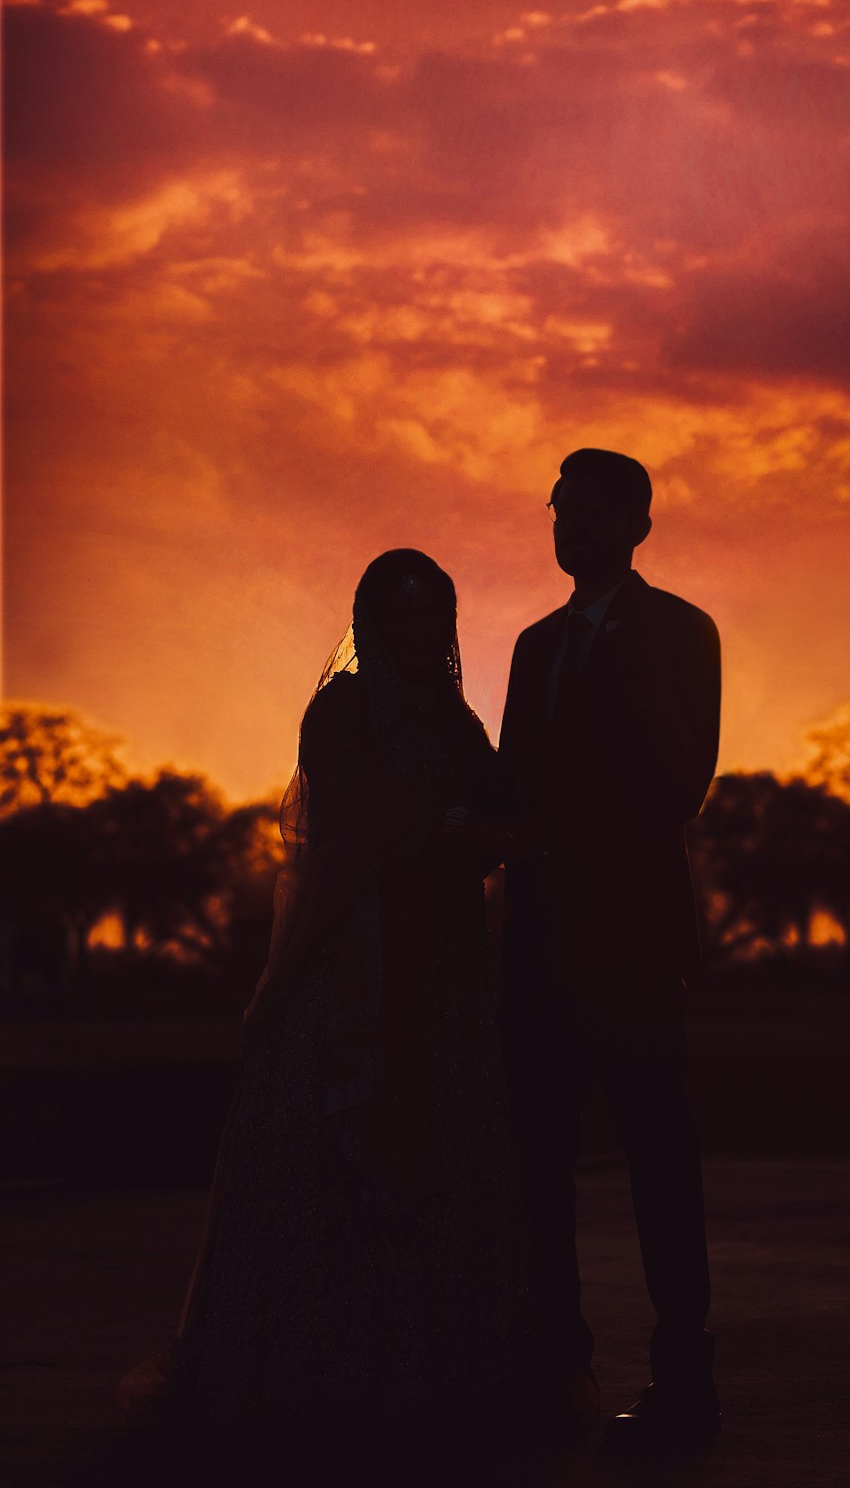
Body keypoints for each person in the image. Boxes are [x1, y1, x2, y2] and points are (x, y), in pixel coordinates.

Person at [119, 549, 543, 1437]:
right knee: (340, 1154)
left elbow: (504, 820)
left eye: (436, 616)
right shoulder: (342, 711)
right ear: (371, 623)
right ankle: (324, 1375)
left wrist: (479, 833)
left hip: (448, 966)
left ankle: (426, 1373)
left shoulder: (457, 721)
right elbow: (349, 843)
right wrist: (445, 832)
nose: (421, 634)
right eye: (402, 616)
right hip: (360, 958)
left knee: (437, 1152)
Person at [499, 448, 722, 1444]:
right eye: (560, 509)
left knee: (658, 1160)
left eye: (592, 512)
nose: (570, 527)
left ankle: (684, 1379)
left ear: (637, 526)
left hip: (631, 941)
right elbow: (508, 787)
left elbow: (680, 784)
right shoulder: (532, 646)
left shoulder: (679, 632)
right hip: (540, 945)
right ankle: (562, 1369)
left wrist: (559, 818)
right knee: (537, 1164)